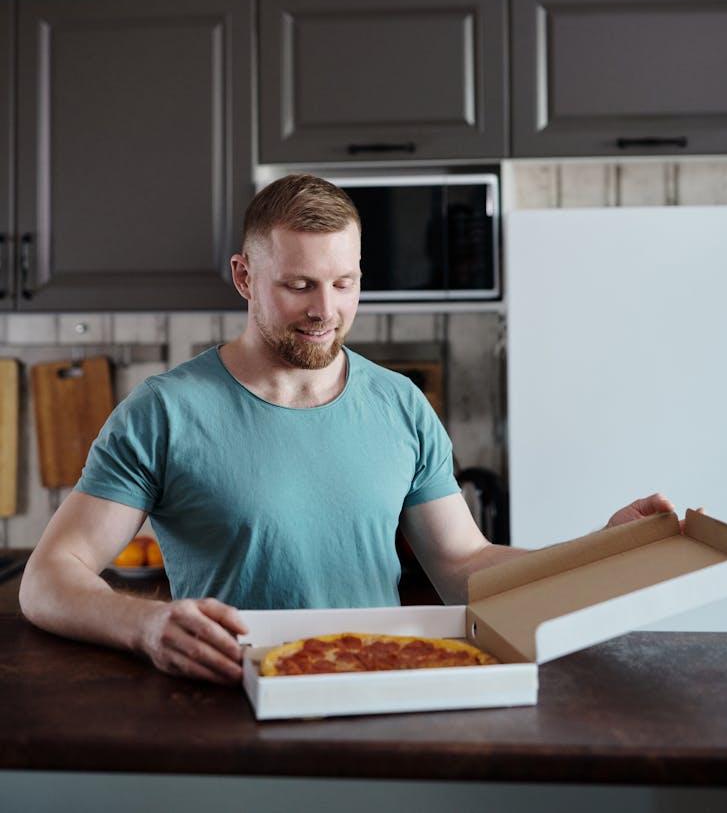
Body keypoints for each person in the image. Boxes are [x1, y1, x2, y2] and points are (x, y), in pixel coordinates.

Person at [20, 173, 676, 685]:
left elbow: (463, 566)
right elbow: (49, 577)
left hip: (376, 688)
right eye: (300, 285)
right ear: (244, 276)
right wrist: (146, 624)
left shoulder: (401, 404)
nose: (326, 311)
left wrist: (598, 551)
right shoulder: (164, 412)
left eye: (345, 282)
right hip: (226, 702)